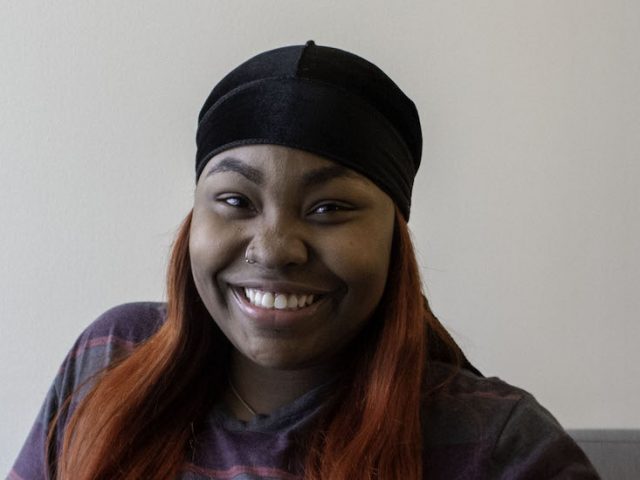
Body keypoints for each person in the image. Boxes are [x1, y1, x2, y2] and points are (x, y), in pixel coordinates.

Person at [9, 41, 600, 480]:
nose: (273, 249)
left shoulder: (496, 447)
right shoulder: (109, 358)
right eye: (236, 201)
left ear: (395, 238)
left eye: (329, 208)